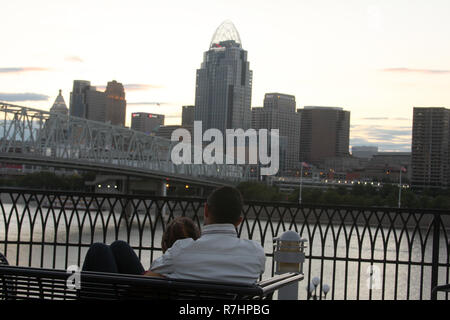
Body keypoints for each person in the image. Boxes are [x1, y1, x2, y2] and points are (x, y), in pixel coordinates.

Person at [149, 186, 266, 284]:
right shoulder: (256, 253)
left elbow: (151, 271)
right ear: (239, 221)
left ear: (205, 210)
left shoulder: (181, 250)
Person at [82, 217, 200, 275]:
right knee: (119, 247)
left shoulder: (167, 264)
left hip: (143, 291)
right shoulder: (201, 264)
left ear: (165, 243)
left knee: (99, 249)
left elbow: (144, 284)